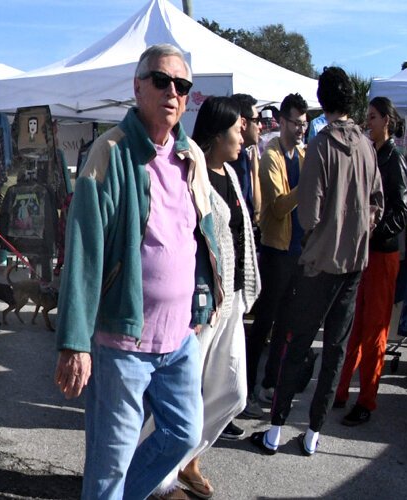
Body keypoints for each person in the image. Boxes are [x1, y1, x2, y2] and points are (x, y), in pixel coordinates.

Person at [53, 44, 223, 500]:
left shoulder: (191, 157)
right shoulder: (110, 153)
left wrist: (208, 296)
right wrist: (74, 342)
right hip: (123, 342)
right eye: (162, 81)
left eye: (182, 86)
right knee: (109, 463)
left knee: (185, 434)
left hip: (179, 339)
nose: (173, 92)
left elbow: (202, 234)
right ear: (137, 86)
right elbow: (84, 250)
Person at [251, 66, 384, 457]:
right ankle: (313, 432)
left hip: (319, 263)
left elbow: (308, 214)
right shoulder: (365, 144)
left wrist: (320, 236)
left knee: (296, 342)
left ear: (322, 102)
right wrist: (357, 231)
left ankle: (275, 430)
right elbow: (377, 202)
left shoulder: (322, 146)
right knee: (336, 348)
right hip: (354, 263)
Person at [150, 96, 259, 500]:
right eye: (238, 128)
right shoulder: (192, 172)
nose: (244, 133)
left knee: (232, 391)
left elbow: (239, 236)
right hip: (199, 303)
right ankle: (158, 482)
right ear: (217, 134)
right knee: (181, 396)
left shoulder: (231, 172)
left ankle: (187, 458)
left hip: (230, 298)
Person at [332, 96, 407, 426]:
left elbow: (402, 211)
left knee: (375, 330)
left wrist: (374, 232)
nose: (369, 122)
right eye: (368, 117)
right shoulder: (375, 153)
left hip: (382, 254)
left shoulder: (394, 160)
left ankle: (367, 400)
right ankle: (341, 392)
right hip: (366, 253)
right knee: (355, 324)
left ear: (387, 121)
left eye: (374, 117)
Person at [242, 93, 309, 419]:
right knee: (263, 325)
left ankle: (269, 384)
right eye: (296, 122)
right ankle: (247, 389)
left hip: (297, 251)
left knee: (286, 324)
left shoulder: (303, 155)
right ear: (282, 121)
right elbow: (280, 207)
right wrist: (306, 185)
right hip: (275, 251)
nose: (301, 128)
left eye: (304, 123)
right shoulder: (271, 157)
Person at [228, 94, 262, 218]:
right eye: (256, 120)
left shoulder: (244, 155)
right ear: (243, 123)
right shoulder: (234, 158)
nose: (260, 126)